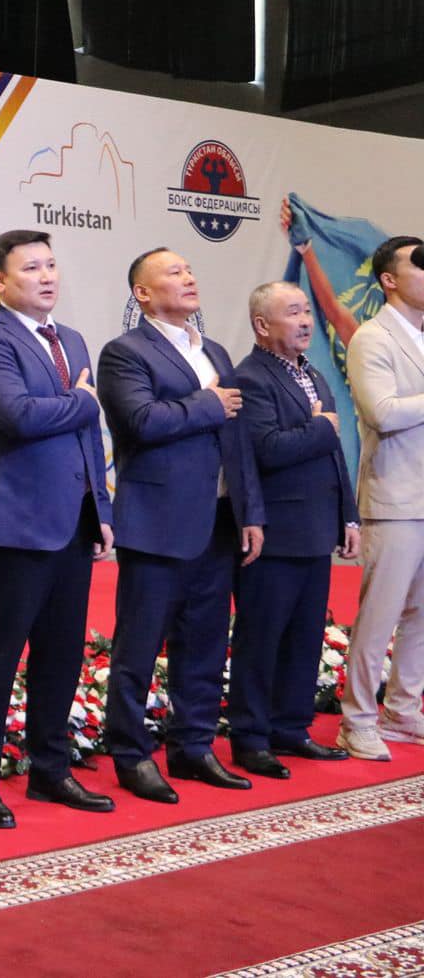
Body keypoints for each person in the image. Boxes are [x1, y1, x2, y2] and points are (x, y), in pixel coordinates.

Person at [0, 231, 115, 829]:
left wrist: (101, 511)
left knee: (62, 654)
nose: (47, 276)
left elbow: (86, 436)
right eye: (31, 268)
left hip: (73, 522)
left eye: (51, 265)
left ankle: (50, 768)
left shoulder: (70, 339)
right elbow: (20, 416)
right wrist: (85, 400)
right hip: (17, 525)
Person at [97, 248, 264, 803]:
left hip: (218, 521)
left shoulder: (213, 349)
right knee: (139, 647)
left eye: (190, 270)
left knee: (206, 643)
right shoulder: (125, 352)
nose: (189, 278)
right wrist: (209, 404)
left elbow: (237, 437)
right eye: (174, 272)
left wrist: (249, 511)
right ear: (142, 293)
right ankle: (130, 754)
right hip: (157, 522)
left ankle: (193, 746)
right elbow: (141, 421)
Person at [230, 281, 358, 776]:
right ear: (262, 325)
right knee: (262, 639)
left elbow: (334, 454)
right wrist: (321, 428)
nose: (306, 321)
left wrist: (348, 514)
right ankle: (250, 737)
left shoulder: (312, 373)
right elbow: (266, 450)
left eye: (306, 311)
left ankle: (291, 727)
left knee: (305, 637)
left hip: (316, 528)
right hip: (275, 531)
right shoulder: (250, 378)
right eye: (293, 313)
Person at [338, 237, 424, 760]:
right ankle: (357, 720)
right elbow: (383, 412)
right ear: (389, 279)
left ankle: (403, 711)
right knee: (379, 616)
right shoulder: (372, 338)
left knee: (421, 617)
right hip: (394, 497)